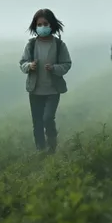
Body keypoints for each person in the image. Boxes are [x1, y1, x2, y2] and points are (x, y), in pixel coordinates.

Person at [19, 8, 72, 154]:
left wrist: (54, 68)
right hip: (35, 90)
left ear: (51, 25)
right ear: (35, 26)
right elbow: (22, 63)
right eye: (39, 24)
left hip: (53, 89)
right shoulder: (31, 45)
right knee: (37, 122)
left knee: (48, 118)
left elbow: (67, 64)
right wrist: (29, 66)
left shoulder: (59, 45)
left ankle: (52, 145)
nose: (42, 27)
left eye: (45, 24)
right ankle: (40, 149)